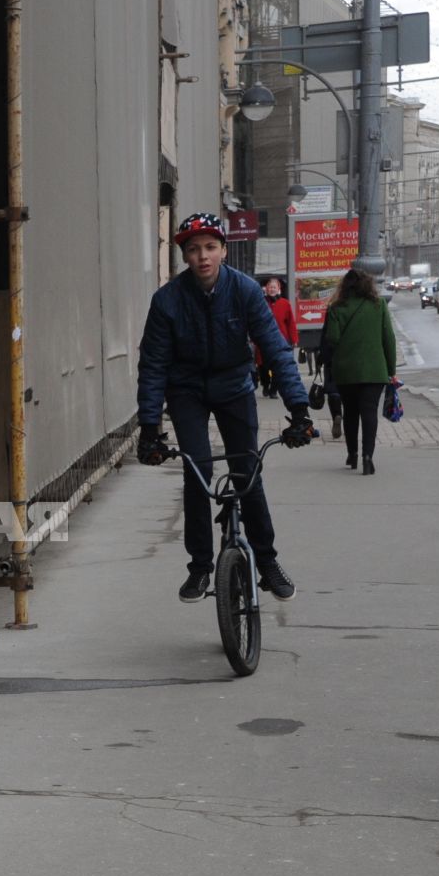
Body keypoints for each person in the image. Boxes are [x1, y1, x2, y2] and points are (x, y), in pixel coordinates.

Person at [137, 212, 312, 603]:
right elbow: (153, 365)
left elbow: (275, 348)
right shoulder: (167, 301)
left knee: (247, 470)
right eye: (195, 249)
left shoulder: (245, 291)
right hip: (186, 392)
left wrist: (299, 410)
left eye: (211, 248)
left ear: (223, 251)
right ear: (184, 255)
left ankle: (266, 562)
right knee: (197, 471)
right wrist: (149, 428)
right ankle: (200, 567)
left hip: (234, 387)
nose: (203, 257)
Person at [318, 268, 397, 475]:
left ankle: (352, 454)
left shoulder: (336, 307)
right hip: (374, 370)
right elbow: (388, 338)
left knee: (350, 413)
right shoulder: (378, 305)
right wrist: (391, 369)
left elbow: (332, 338)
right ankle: (367, 457)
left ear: (344, 287)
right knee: (369, 413)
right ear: (367, 285)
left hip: (346, 371)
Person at [260, 276, 299, 400]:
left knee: (279, 366)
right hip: (263, 340)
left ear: (279, 289)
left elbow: (291, 323)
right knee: (263, 366)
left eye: (274, 287)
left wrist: (294, 339)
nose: (272, 289)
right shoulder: (261, 302)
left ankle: (273, 390)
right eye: (270, 287)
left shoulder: (285, 303)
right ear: (266, 289)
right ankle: (265, 384)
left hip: (281, 340)